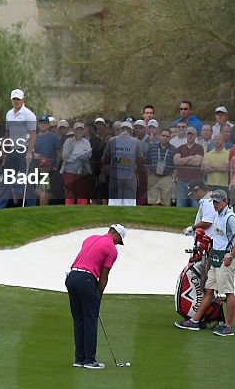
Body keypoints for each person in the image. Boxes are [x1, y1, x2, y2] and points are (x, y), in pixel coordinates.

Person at [175, 190, 235, 336]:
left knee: (228, 292)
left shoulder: (230, 218)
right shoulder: (218, 216)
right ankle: (195, 321)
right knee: (209, 289)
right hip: (217, 258)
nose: (215, 204)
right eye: (213, 202)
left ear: (225, 201)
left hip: (226, 259)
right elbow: (218, 239)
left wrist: (230, 256)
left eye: (218, 202)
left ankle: (228, 326)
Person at [65, 224, 126, 369]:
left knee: (79, 320)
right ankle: (90, 361)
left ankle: (79, 359)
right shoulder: (112, 249)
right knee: (91, 320)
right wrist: (98, 296)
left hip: (71, 277)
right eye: (119, 240)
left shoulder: (90, 238)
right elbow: (104, 277)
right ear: (116, 235)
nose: (118, 243)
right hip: (86, 280)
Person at [0, 89, 37, 208]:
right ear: (11, 100)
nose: (16, 101)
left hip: (24, 150)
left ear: (22, 100)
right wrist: (3, 149)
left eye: (18, 99)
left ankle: (31, 206)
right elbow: (8, 132)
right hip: (12, 150)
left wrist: (29, 152)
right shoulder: (9, 113)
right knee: (7, 179)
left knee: (28, 181)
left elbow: (33, 134)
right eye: (14, 99)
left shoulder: (29, 114)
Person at [102, 121, 144, 206]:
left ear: (121, 129)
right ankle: (127, 219)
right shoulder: (137, 142)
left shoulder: (112, 141)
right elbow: (140, 161)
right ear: (131, 130)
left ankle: (114, 219)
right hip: (130, 177)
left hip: (115, 177)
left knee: (114, 204)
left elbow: (106, 159)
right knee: (129, 205)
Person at [173, 128, 205, 208]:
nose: (190, 136)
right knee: (180, 207)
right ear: (186, 135)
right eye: (189, 134)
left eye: (192, 134)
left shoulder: (199, 148)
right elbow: (176, 162)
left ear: (196, 136)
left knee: (195, 207)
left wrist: (182, 161)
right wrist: (190, 157)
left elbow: (197, 162)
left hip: (195, 183)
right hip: (181, 181)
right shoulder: (180, 148)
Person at [145, 127, 176, 206]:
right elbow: (148, 162)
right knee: (152, 202)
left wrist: (173, 178)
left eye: (167, 136)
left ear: (170, 138)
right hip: (153, 176)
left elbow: (175, 166)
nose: (165, 138)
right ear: (159, 136)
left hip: (166, 177)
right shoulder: (152, 148)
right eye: (163, 135)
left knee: (166, 203)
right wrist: (148, 177)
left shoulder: (173, 149)